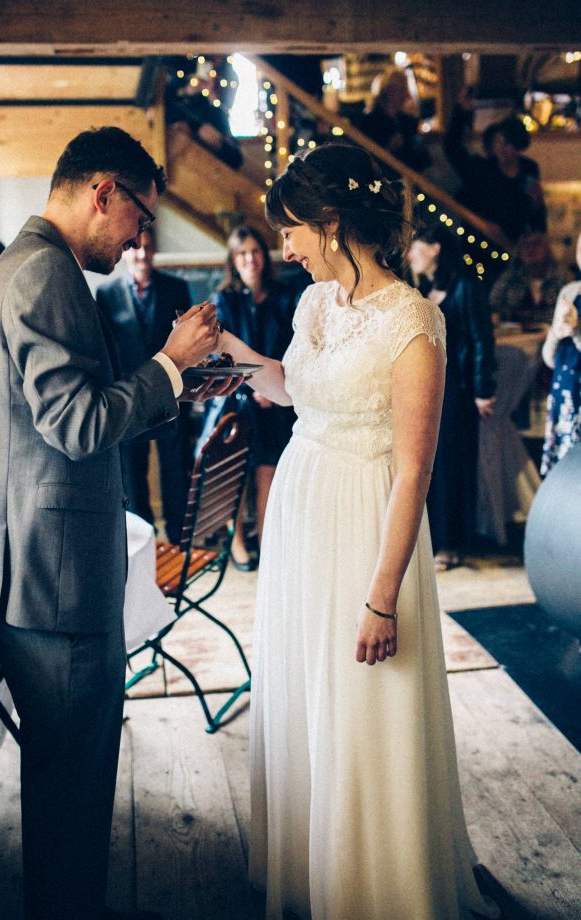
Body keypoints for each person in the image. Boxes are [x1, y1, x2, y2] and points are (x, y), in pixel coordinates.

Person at [215, 143, 500, 920]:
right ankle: (312, 865)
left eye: (293, 230)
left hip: (365, 523)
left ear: (332, 223)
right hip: (303, 512)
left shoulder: (414, 322)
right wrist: (234, 357)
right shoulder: (314, 306)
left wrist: (382, 598)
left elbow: (413, 470)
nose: (286, 246)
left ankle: (376, 881)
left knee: (361, 696)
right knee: (307, 686)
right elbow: (293, 387)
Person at [0, 126, 239, 920]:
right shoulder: (45, 277)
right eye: (140, 219)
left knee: (59, 779)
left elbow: (56, 418)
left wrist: (169, 392)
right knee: (76, 788)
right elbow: (78, 425)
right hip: (54, 582)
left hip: (28, 571)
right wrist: (168, 364)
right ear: (102, 192)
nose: (138, 238)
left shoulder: (21, 266)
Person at [200, 225, 298, 570]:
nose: (250, 259)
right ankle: (238, 541)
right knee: (237, 471)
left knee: (269, 469)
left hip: (278, 399)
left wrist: (275, 387)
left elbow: (292, 346)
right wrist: (254, 388)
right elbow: (218, 358)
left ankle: (268, 537)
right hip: (237, 400)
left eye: (255, 251)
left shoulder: (284, 296)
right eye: (242, 253)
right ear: (233, 260)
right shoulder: (222, 299)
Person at [407, 223, 496, 572]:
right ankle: (432, 539)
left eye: (416, 246)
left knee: (455, 466)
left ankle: (452, 543)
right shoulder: (425, 290)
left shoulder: (467, 287)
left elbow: (480, 341)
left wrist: (483, 390)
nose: (411, 253)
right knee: (432, 465)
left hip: (458, 392)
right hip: (430, 391)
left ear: (435, 248)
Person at [96, 229, 192, 543]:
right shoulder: (107, 294)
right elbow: (107, 349)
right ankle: (143, 541)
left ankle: (178, 539)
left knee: (176, 470)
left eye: (148, 248)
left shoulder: (176, 288)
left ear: (154, 251)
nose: (141, 254)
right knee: (133, 477)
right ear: (126, 251)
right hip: (130, 397)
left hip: (172, 393)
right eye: (136, 248)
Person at [444, 89, 547, 246]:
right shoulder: (482, 170)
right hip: (478, 245)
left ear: (519, 148)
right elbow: (453, 149)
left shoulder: (528, 169)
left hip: (513, 247)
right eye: (499, 142)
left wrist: (538, 231)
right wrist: (461, 111)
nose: (503, 149)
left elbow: (535, 209)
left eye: (508, 144)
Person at [540, 231, 581, 475]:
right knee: (566, 475)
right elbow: (549, 358)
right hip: (564, 393)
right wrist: (556, 331)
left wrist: (576, 331)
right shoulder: (570, 292)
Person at [489, 232, 572, 326]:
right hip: (517, 336)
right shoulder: (511, 277)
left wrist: (531, 316)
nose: (530, 249)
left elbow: (568, 311)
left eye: (536, 244)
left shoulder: (561, 277)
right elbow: (493, 303)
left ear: (546, 249)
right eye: (526, 245)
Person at [358, 66, 432, 172]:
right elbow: (365, 163)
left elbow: (424, 160)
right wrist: (388, 149)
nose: (406, 95)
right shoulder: (368, 123)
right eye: (402, 89)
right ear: (389, 91)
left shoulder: (408, 121)